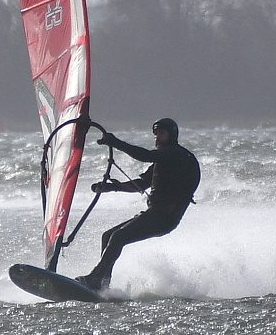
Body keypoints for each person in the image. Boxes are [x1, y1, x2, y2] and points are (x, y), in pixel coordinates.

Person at [75, 118, 201, 290]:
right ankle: (102, 284)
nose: (157, 138)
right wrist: (112, 187)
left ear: (172, 135)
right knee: (108, 236)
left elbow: (145, 156)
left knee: (118, 237)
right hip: (154, 214)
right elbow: (141, 184)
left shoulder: (177, 155)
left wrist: (116, 143)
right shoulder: (163, 160)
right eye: (155, 135)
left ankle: (95, 278)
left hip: (165, 217)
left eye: (161, 134)